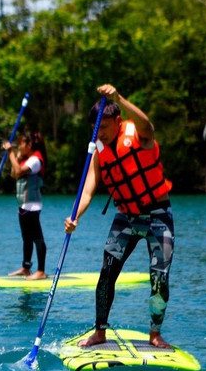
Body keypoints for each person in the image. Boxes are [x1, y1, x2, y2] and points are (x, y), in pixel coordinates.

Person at [64, 84, 173, 348]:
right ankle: (100, 331)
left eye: (103, 128)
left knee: (159, 276)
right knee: (106, 273)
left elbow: (148, 125)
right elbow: (88, 189)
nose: (99, 133)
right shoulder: (99, 151)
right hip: (125, 217)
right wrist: (74, 217)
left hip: (157, 215)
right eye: (95, 129)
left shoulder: (138, 135)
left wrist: (119, 98)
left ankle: (155, 334)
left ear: (118, 121)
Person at [4, 132, 48, 280]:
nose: (19, 146)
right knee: (26, 238)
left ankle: (41, 271)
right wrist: (16, 156)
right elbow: (13, 174)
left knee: (37, 237)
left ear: (29, 145)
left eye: (21, 144)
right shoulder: (26, 159)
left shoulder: (35, 160)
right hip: (24, 205)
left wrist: (10, 152)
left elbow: (18, 171)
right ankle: (26, 267)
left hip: (32, 205)